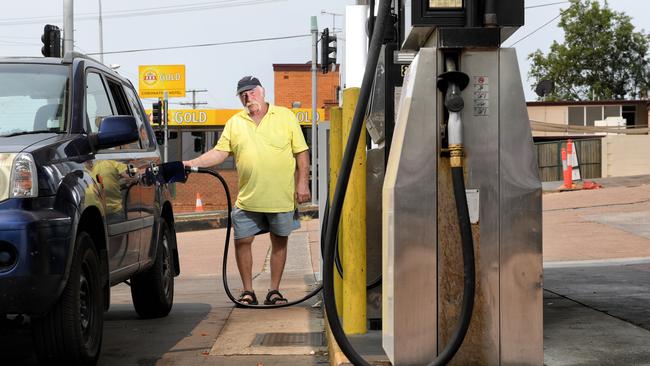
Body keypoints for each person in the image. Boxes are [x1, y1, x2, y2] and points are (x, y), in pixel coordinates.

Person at [183, 76, 310, 306]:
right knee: (242, 240)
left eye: (251, 91)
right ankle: (248, 291)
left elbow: (301, 152)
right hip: (248, 198)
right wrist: (190, 163)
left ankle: (274, 291)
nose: (247, 96)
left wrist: (303, 183)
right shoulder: (235, 122)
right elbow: (219, 153)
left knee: (279, 241)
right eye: (242, 94)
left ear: (262, 91)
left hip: (280, 197)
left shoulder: (285, 117)